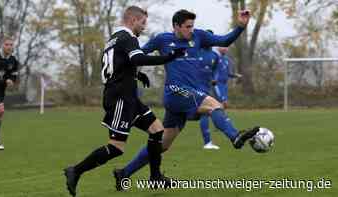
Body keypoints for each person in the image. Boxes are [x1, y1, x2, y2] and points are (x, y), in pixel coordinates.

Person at [113, 9, 259, 190]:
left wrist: (241, 26)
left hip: (187, 96)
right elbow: (138, 55)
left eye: (192, 26)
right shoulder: (162, 40)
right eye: (187, 26)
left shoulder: (199, 36)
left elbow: (224, 41)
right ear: (176, 26)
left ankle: (123, 173)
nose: (191, 29)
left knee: (162, 145)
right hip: (175, 92)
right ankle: (235, 137)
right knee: (215, 105)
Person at [63, 6, 185, 196]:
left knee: (157, 130)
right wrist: (168, 57)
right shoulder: (128, 37)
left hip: (127, 95)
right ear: (133, 20)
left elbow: (122, 64)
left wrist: (137, 75)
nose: (144, 27)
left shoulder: (114, 39)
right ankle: (75, 171)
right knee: (116, 147)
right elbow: (136, 58)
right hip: (120, 98)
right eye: (143, 23)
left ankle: (155, 178)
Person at [199, 47, 242, 150]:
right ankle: (211, 138)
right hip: (215, 86)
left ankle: (221, 125)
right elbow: (212, 74)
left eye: (226, 46)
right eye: (223, 46)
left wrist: (235, 76)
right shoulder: (211, 57)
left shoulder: (226, 60)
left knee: (218, 108)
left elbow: (227, 73)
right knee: (210, 109)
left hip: (223, 85)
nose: (225, 48)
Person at [0, 36, 19, 150]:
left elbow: (13, 74)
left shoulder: (13, 60)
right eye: (7, 44)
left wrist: (11, 80)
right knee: (0, 110)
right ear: (2, 45)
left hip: (0, 89)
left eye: (11, 45)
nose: (9, 47)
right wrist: (3, 80)